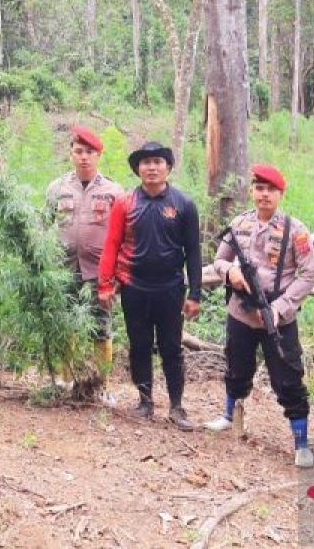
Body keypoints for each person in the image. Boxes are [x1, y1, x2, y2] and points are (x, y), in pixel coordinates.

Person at [205, 164, 314, 467]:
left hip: (277, 315)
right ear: (252, 191)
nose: (264, 195)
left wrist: (280, 308)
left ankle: (301, 442)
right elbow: (219, 260)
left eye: (270, 190)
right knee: (236, 366)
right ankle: (229, 415)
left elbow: (308, 275)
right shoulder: (239, 223)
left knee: (288, 376)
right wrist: (230, 272)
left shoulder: (296, 231)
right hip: (241, 310)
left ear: (280, 194)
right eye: (259, 188)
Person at [98, 141, 202, 430]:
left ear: (168, 167)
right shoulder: (125, 203)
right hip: (134, 287)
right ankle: (145, 402)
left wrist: (195, 294)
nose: (152, 167)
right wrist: (105, 284)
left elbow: (193, 251)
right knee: (139, 346)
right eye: (146, 163)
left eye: (158, 162)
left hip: (170, 288)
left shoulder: (184, 204)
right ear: (138, 169)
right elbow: (112, 244)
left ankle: (177, 406)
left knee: (172, 348)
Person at [45, 125, 124, 402]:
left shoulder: (113, 191)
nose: (84, 157)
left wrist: (117, 275)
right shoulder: (57, 188)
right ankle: (65, 381)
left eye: (89, 152)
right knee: (65, 324)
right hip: (63, 269)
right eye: (78, 151)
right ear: (71, 154)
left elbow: (124, 236)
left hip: (99, 273)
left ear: (98, 155)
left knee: (100, 327)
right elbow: (44, 226)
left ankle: (100, 385)